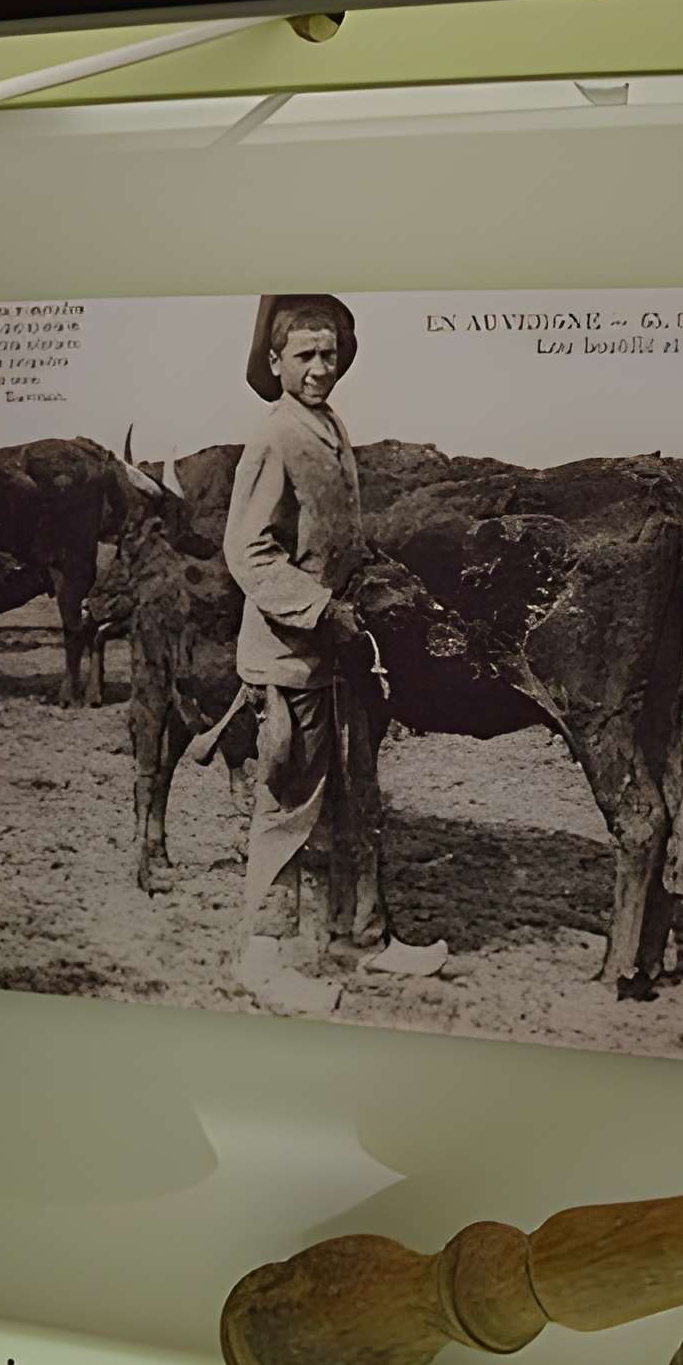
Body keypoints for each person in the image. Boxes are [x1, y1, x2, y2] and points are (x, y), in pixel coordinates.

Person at [218, 294, 442, 1015]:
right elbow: (247, 551)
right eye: (305, 356)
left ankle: (362, 938)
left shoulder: (330, 428)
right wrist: (319, 610)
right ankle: (262, 958)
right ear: (274, 362)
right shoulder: (276, 437)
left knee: (356, 799)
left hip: (337, 657)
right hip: (289, 660)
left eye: (330, 354)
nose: (320, 368)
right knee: (288, 809)